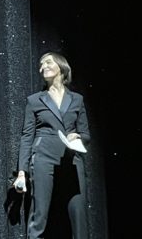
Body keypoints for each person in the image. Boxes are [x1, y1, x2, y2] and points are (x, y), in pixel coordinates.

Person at [13, 51, 90, 239]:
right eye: (41, 65)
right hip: (43, 158)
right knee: (40, 214)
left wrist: (76, 136)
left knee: (79, 214)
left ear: (61, 67)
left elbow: (86, 134)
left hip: (71, 160)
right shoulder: (35, 100)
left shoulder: (77, 99)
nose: (43, 67)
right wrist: (21, 171)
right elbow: (27, 135)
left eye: (48, 62)